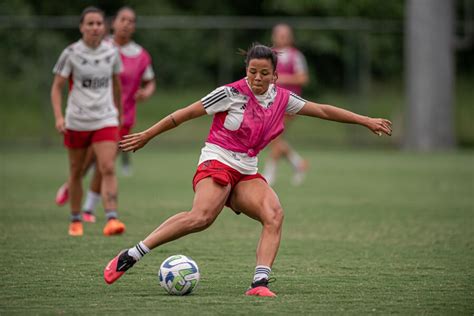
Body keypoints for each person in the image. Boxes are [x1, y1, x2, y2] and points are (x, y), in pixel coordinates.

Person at [103, 44, 392, 296]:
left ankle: (259, 282)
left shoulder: (282, 99)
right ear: (246, 69)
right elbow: (182, 115)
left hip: (246, 170)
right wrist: (146, 136)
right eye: (253, 71)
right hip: (217, 160)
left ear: (275, 75)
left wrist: (365, 120)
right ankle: (133, 254)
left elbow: (324, 111)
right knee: (202, 217)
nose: (257, 77)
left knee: (274, 214)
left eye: (264, 73)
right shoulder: (229, 93)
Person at [55, 7, 156, 225]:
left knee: (105, 164)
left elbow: (150, 82)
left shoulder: (141, 55)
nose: (127, 24)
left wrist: (145, 93)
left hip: (120, 117)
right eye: (123, 19)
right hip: (88, 115)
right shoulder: (102, 46)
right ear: (113, 23)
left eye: (131, 20)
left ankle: (89, 208)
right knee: (86, 162)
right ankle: (72, 185)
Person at [51, 6, 126, 236]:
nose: (95, 28)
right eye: (90, 24)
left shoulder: (111, 52)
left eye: (99, 24)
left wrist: (119, 114)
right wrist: (59, 117)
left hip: (105, 118)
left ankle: (112, 218)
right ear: (81, 27)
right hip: (77, 120)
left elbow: (116, 85)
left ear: (105, 27)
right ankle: (75, 220)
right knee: (76, 171)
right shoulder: (71, 53)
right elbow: (56, 88)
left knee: (107, 166)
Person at [263, 23, 310, 186]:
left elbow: (303, 78)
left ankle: (269, 175)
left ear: (290, 37)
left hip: (289, 102)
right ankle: (299, 164)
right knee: (273, 137)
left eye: (285, 34)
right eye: (279, 34)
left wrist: (282, 78)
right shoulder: (269, 55)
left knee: (274, 135)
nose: (282, 37)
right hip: (270, 102)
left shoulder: (296, 56)